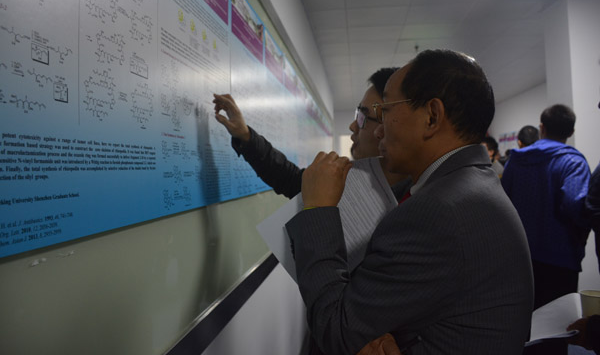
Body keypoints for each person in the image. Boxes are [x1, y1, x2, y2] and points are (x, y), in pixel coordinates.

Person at [285, 50, 533, 355]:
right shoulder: (472, 186)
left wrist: (319, 208)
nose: (378, 129)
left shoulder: (437, 211)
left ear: (431, 116)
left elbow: (336, 329)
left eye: (386, 110)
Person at [213, 67, 411, 201]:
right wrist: (246, 136)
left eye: (362, 117)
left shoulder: (413, 209)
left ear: (388, 127)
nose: (352, 126)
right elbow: (291, 179)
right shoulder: (348, 179)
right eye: (356, 115)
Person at [502, 104, 591, 309]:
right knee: (557, 323)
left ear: (541, 127)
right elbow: (575, 204)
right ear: (571, 132)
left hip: (519, 257)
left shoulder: (516, 160)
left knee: (520, 319)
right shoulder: (573, 162)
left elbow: (502, 201)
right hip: (561, 260)